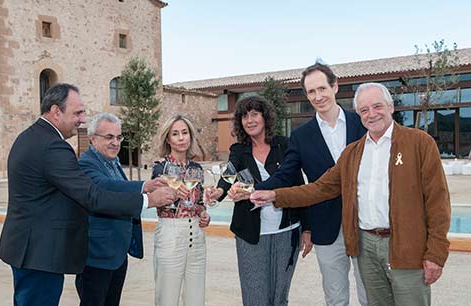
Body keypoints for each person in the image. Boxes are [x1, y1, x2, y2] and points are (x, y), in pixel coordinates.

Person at [251, 82, 451, 306]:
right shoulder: (353, 153)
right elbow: (320, 188)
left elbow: (438, 203)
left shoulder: (420, 143)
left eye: (377, 106)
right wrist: (274, 195)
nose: (371, 114)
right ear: (359, 115)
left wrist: (435, 254)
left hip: (406, 247)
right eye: (364, 110)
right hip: (366, 247)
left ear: (391, 106)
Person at [0, 83, 177, 306]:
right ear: (55, 112)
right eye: (77, 113)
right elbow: (93, 196)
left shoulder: (29, 137)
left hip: (29, 249)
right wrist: (149, 200)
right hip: (40, 253)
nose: (82, 119)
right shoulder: (53, 147)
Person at [255, 62, 367, 306]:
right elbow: (285, 174)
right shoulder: (301, 136)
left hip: (364, 222)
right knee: (336, 297)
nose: (317, 96)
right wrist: (258, 189)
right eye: (311, 92)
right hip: (326, 225)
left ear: (335, 87)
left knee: (370, 295)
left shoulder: (362, 124)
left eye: (322, 88)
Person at [204, 96, 306, 306]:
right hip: (250, 234)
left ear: (265, 117)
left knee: (279, 297)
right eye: (244, 116)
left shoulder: (284, 145)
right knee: (255, 298)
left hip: (287, 231)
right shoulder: (238, 150)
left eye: (254, 114)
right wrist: (218, 192)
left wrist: (308, 229)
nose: (249, 120)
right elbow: (228, 176)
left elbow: (298, 186)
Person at [75, 113, 168, 306]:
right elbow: (105, 187)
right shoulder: (86, 163)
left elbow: (119, 189)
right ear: (92, 139)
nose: (115, 142)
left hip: (117, 254)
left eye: (119, 137)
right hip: (97, 255)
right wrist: (146, 193)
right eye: (109, 137)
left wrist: (147, 184)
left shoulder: (112, 161)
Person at [152, 114, 211, 306]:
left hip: (197, 235)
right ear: (168, 138)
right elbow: (158, 201)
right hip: (171, 233)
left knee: (196, 297)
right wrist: (172, 191)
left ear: (190, 136)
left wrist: (203, 214)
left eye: (185, 133)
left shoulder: (197, 169)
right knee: (167, 296)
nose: (181, 138)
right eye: (175, 134)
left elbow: (199, 203)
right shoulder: (160, 169)